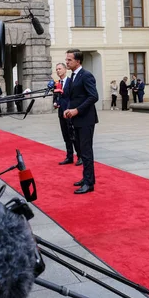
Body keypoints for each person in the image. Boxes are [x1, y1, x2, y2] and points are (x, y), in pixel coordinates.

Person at [64, 49, 99, 194]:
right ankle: (86, 178)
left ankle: (89, 183)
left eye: (69, 60)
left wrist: (77, 110)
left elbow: (93, 96)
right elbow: (73, 97)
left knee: (86, 152)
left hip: (86, 119)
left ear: (78, 61)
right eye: (66, 59)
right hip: (76, 120)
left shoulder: (86, 75)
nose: (67, 62)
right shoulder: (72, 76)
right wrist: (68, 109)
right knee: (81, 152)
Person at [53, 62, 80, 166]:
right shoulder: (57, 83)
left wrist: (69, 109)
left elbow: (72, 97)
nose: (58, 71)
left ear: (65, 70)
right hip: (61, 112)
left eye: (59, 68)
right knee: (65, 136)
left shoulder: (70, 82)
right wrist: (55, 103)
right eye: (57, 69)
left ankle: (80, 156)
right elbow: (56, 96)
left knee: (73, 135)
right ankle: (69, 156)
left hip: (69, 112)